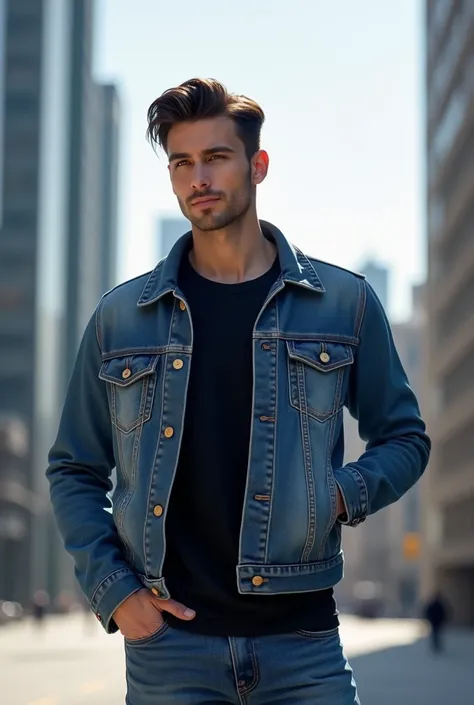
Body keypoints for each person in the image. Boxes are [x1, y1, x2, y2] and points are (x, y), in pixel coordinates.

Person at [47, 78, 431, 704]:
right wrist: (115, 590)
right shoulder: (120, 318)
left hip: (303, 644)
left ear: (257, 166)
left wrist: (337, 495)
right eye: (181, 162)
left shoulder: (343, 304)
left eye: (215, 158)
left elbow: (405, 437)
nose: (198, 177)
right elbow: (73, 468)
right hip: (169, 651)